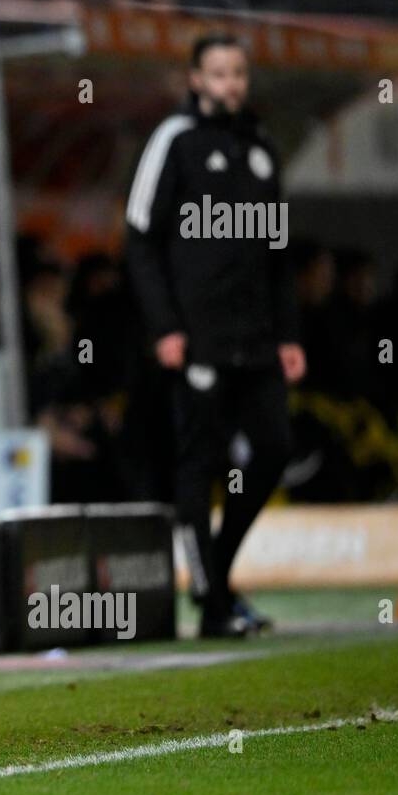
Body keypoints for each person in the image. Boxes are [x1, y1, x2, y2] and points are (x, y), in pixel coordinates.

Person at [123, 33, 305, 639]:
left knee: (275, 447)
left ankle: (218, 581)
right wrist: (165, 327)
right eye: (218, 73)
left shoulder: (262, 149)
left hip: (256, 338)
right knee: (198, 463)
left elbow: (279, 252)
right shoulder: (174, 142)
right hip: (196, 338)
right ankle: (210, 597)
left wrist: (289, 333)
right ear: (196, 79)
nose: (230, 83)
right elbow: (141, 238)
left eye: (238, 73)